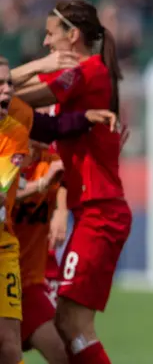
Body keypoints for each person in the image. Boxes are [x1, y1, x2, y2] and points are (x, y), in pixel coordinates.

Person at [10, 0, 131, 364]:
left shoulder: (85, 72)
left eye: (50, 34)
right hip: (92, 210)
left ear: (72, 35)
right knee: (66, 324)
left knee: (73, 323)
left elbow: (15, 100)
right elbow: (44, 121)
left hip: (101, 212)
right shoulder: (87, 75)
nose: (46, 43)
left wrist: (30, 70)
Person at [0, 56, 117, 364]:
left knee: (36, 350)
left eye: (9, 87)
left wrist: (61, 209)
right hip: (18, 261)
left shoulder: (22, 141)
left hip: (20, 271)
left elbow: (57, 138)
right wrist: (40, 65)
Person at [14, 141, 66, 364]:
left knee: (60, 353)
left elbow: (67, 177)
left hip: (28, 283)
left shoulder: (50, 160)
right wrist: (42, 184)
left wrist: (61, 211)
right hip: (7, 274)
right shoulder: (7, 155)